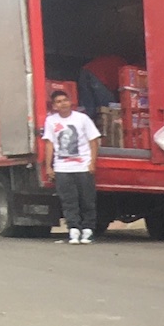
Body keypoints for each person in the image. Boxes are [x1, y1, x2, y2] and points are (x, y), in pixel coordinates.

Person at [40, 86, 101, 244]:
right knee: (68, 200)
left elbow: (93, 141)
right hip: (62, 168)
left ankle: (88, 229)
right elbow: (49, 144)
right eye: (58, 102)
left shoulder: (82, 118)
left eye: (65, 100)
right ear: (54, 106)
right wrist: (49, 166)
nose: (63, 104)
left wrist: (92, 163)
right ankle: (73, 229)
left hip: (83, 166)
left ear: (71, 102)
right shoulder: (51, 121)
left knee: (87, 199)